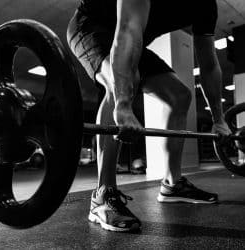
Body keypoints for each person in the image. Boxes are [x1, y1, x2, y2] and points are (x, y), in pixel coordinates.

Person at [67, 0, 231, 232]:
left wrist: (219, 120)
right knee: (121, 82)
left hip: (132, 38)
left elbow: (209, 63)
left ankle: (172, 184)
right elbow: (128, 29)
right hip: (91, 27)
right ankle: (103, 195)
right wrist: (123, 104)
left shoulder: (206, 5)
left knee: (180, 96)